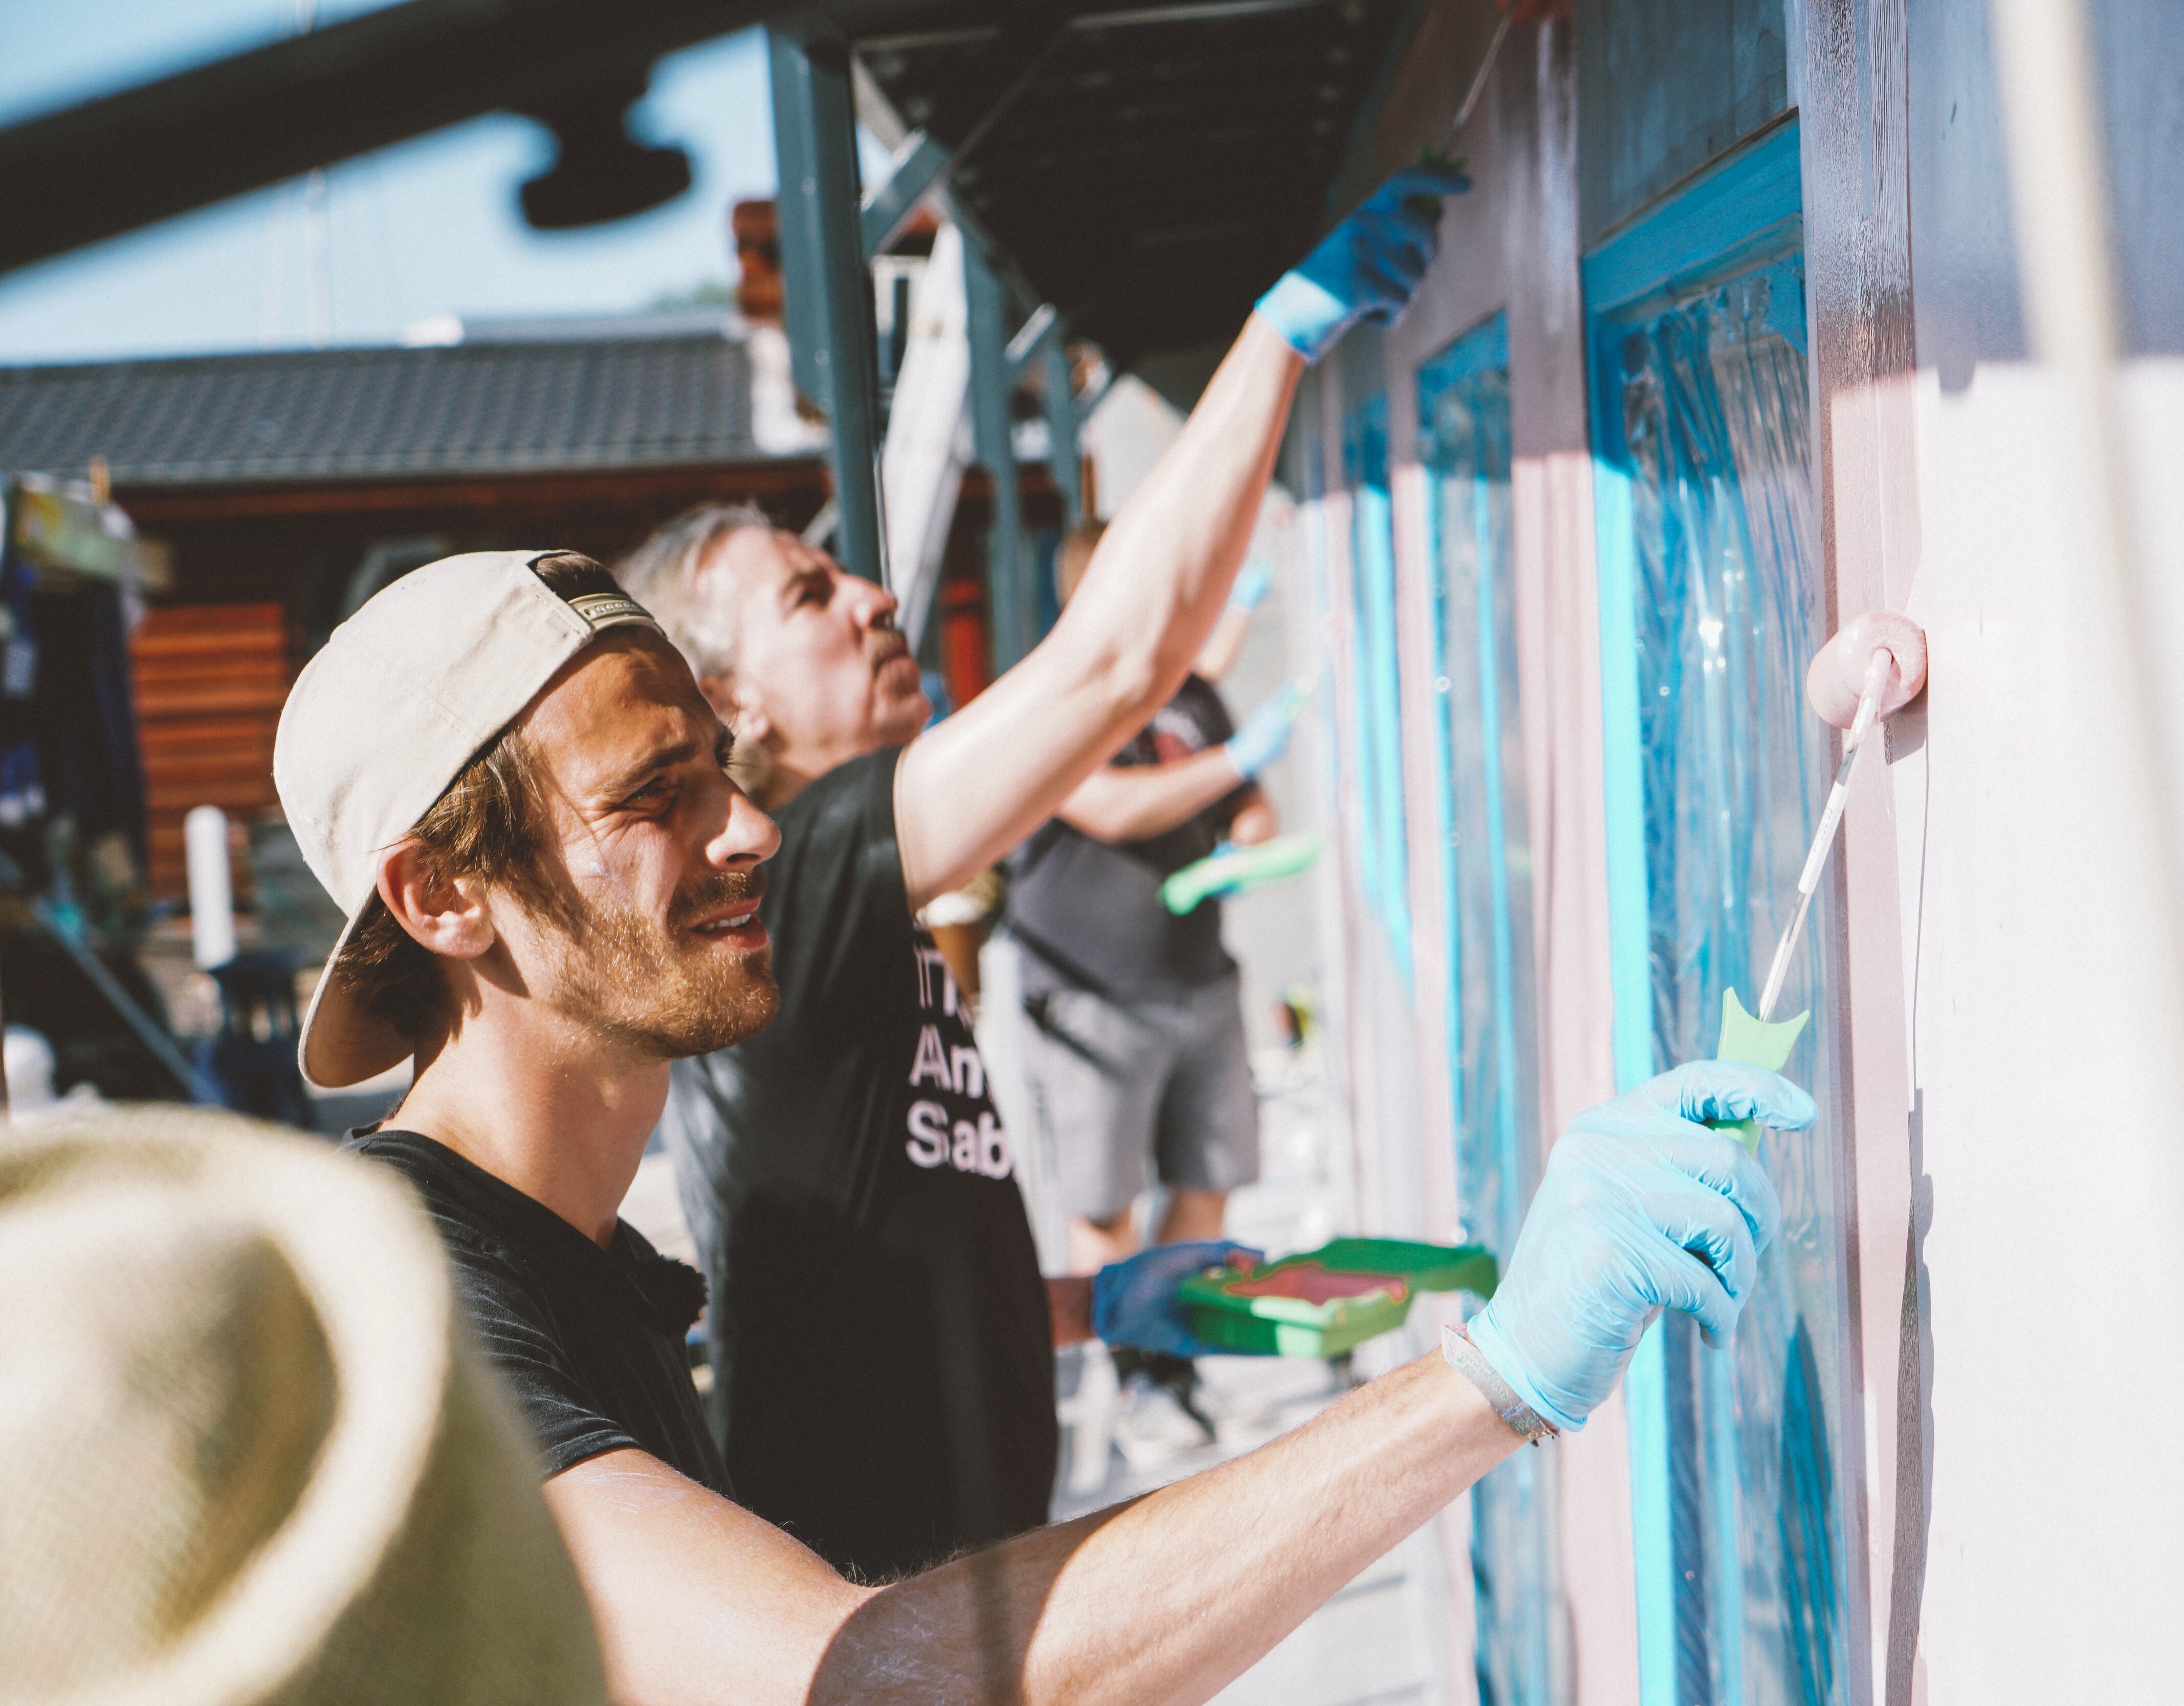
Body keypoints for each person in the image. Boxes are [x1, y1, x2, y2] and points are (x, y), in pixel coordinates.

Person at [273, 544, 1808, 1706]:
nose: (746, 830)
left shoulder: (576, 1260)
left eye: (723, 774)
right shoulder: (422, 1313)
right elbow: (860, 1682)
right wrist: (1492, 1382)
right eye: (651, 797)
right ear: (440, 896)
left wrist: (1081, 1307)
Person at [615, 166, 1465, 1578]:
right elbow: (1122, 662)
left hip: (943, 1578)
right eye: (811, 597)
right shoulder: (805, 870)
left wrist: (1087, 1305)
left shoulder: (820, 907)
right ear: (732, 703)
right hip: (884, 1599)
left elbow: (866, 1264)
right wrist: (1281, 334)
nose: (875, 596)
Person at [1003, 521, 1297, 1444]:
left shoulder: (1192, 693)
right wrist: (1239, 762)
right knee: (1105, 1204)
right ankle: (1134, 1382)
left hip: (1202, 984)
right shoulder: (1057, 698)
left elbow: (1248, 806)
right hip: (1091, 998)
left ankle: (1178, 1363)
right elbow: (1111, 806)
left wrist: (1248, 827)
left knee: (1207, 1183)